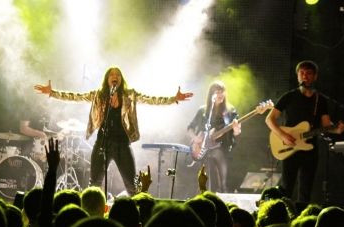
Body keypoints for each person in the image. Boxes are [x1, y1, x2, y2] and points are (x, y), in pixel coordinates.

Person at [34, 66, 193, 195]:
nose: (114, 76)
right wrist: (52, 93)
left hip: (122, 145)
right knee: (94, 184)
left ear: (121, 79)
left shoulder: (129, 95)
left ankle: (138, 216)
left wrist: (174, 99)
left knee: (132, 185)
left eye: (117, 74)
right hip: (102, 143)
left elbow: (152, 100)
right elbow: (75, 97)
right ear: (107, 79)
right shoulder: (99, 95)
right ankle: (92, 213)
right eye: (111, 74)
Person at [265, 60, 344, 202]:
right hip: (289, 146)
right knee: (287, 188)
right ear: (297, 76)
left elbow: (326, 124)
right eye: (301, 73)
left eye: (308, 73)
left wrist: (337, 130)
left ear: (315, 77)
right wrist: (283, 136)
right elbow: (269, 119)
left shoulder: (320, 100)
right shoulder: (289, 97)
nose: (305, 76)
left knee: (306, 190)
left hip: (310, 150)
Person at [187, 81, 241, 192]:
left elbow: (236, 133)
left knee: (222, 183)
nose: (221, 95)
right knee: (205, 182)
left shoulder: (230, 111)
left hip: (223, 149)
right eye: (217, 92)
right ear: (211, 94)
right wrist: (196, 139)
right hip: (204, 150)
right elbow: (190, 128)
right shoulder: (203, 110)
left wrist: (236, 128)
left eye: (222, 92)